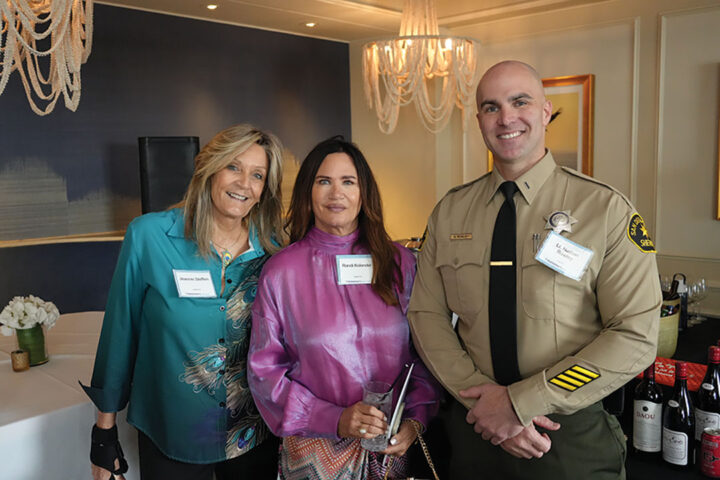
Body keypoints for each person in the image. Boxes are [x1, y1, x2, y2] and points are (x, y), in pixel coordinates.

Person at [408, 60, 661, 479]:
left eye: (520, 101)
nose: (506, 118)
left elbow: (633, 334)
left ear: (545, 111)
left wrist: (524, 402)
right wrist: (483, 403)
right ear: (479, 120)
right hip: (475, 435)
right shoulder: (450, 212)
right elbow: (427, 316)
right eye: (491, 107)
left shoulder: (605, 210)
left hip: (567, 434)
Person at [82, 124, 284, 480]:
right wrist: (104, 434)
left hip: (252, 433)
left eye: (257, 175)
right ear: (208, 168)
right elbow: (119, 332)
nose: (243, 184)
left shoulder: (272, 249)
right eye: (233, 167)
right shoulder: (148, 236)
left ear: (263, 190)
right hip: (171, 433)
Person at [247, 136, 440, 480]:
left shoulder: (400, 263)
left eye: (348, 182)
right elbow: (265, 374)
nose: (337, 193)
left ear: (364, 192)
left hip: (389, 450)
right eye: (324, 181)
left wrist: (415, 420)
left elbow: (424, 351)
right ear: (308, 191)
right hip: (313, 451)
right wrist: (334, 418)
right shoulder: (281, 272)